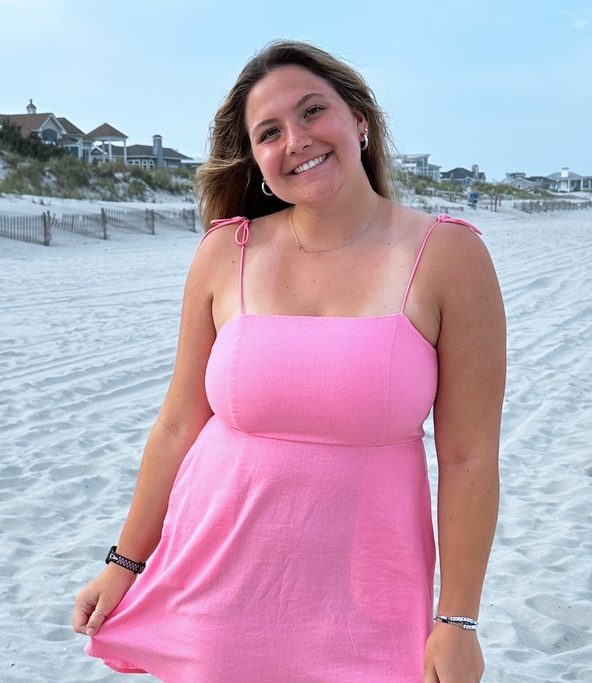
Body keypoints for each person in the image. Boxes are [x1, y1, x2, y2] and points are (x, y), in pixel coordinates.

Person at [72, 40, 505, 683]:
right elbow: (176, 426)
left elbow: (470, 457)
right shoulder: (226, 253)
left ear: (359, 119)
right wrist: (124, 561)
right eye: (269, 131)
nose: (296, 139)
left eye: (312, 112)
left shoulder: (448, 255)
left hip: (369, 598)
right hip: (214, 587)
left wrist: (457, 621)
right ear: (257, 160)